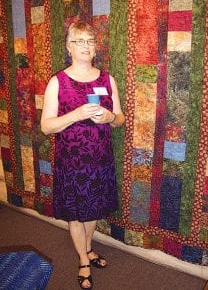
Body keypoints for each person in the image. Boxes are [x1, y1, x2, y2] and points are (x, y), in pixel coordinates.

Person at [41, 20, 125, 289]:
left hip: (100, 160)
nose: (86, 46)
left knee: (93, 211)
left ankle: (88, 248)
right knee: (77, 214)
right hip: (72, 162)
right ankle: (83, 259)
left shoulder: (106, 79)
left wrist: (111, 116)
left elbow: (120, 118)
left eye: (90, 40)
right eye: (79, 41)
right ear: (69, 46)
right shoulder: (58, 82)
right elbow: (46, 126)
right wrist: (75, 115)